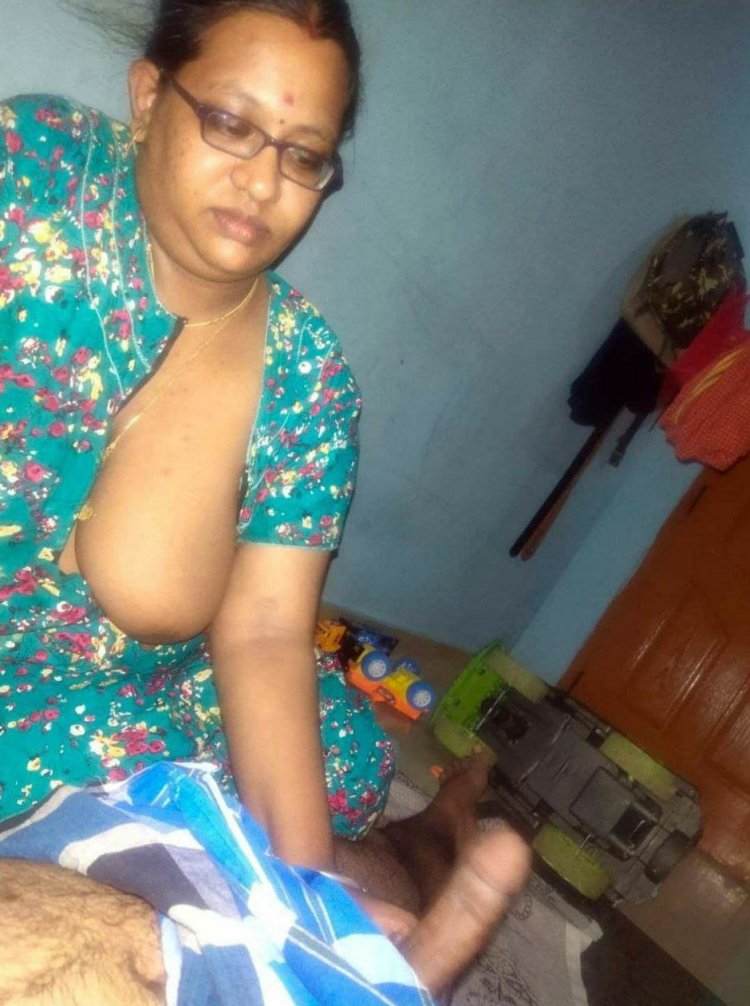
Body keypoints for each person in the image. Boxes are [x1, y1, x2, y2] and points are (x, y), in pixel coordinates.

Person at [0, 1, 530, 999]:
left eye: (304, 154)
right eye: (232, 123)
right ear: (149, 97)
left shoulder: (307, 377)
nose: (263, 181)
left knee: (322, 809)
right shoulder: (26, 181)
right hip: (42, 732)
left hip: (146, 708)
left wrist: (304, 902)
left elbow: (263, 634)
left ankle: (441, 823)